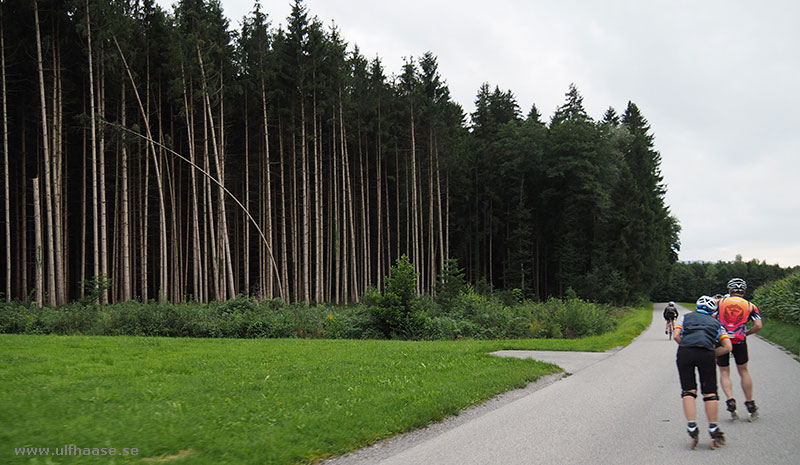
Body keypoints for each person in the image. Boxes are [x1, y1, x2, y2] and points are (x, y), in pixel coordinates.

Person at [674, 295, 732, 449]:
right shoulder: (717, 324)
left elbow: (676, 335)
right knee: (710, 393)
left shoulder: (685, 318)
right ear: (713, 311)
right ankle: (713, 429)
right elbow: (728, 347)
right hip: (706, 353)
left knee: (688, 391)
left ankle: (692, 427)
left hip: (685, 352)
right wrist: (712, 353)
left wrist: (685, 345)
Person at [716, 277, 763, 421]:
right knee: (743, 371)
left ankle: (730, 400)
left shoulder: (719, 303)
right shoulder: (750, 306)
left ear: (729, 290)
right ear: (744, 291)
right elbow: (758, 326)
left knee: (724, 371)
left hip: (722, 340)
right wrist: (746, 333)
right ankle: (750, 405)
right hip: (739, 340)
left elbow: (711, 317)